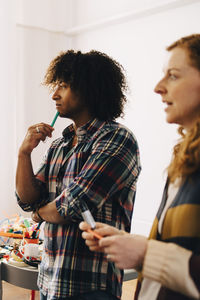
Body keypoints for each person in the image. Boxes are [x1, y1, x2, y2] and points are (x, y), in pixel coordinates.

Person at [80, 34, 200, 300]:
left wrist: (147, 253)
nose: (158, 87)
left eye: (173, 75)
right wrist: (134, 246)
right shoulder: (185, 157)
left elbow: (72, 201)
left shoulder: (118, 138)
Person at [16, 50, 141, 300]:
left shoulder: (117, 139)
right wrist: (24, 154)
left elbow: (73, 205)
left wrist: (40, 214)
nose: (54, 94)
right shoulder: (60, 144)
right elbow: (28, 198)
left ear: (89, 89)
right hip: (50, 279)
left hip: (91, 285)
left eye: (63, 85)